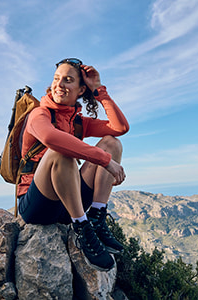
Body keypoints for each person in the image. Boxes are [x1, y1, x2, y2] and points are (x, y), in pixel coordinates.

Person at [17, 58, 129, 271]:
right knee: (61, 151)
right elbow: (51, 138)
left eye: (68, 80)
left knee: (112, 143)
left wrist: (99, 90)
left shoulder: (78, 121)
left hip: (69, 202)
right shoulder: (39, 114)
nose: (59, 85)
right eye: (57, 79)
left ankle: (96, 216)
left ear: (80, 90)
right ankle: (82, 228)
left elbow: (120, 127)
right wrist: (105, 162)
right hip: (36, 206)